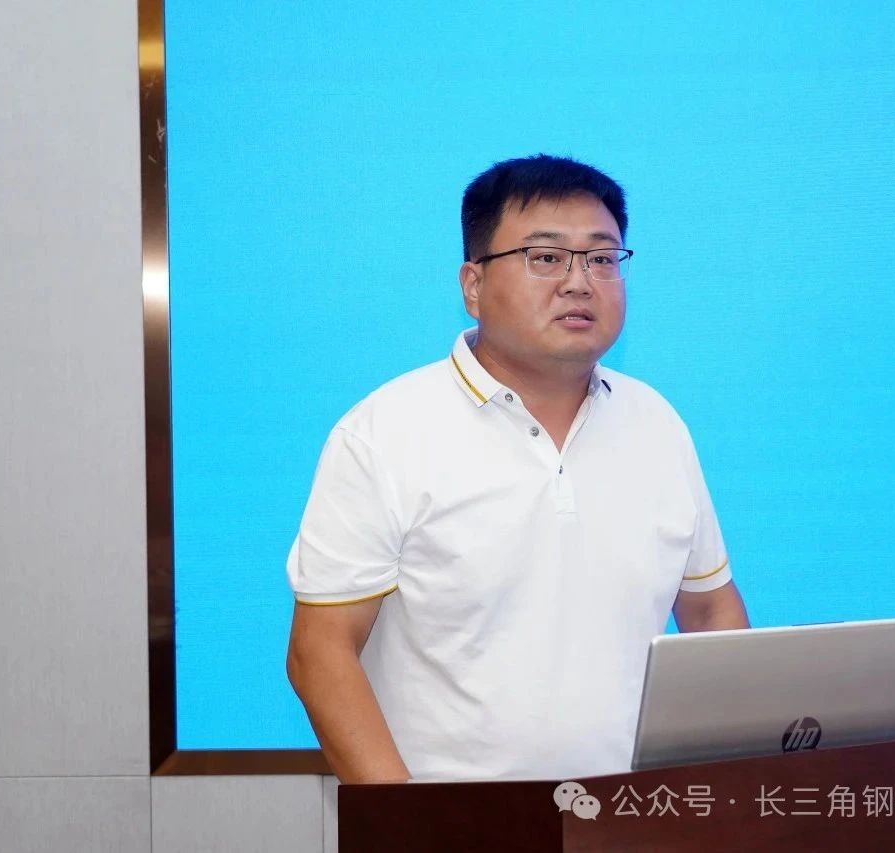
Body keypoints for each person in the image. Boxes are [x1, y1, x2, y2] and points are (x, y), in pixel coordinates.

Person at [285, 154, 748, 784]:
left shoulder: (657, 424)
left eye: (602, 258)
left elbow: (712, 613)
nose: (579, 282)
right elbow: (321, 653)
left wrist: (725, 791)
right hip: (452, 819)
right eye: (546, 257)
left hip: (635, 812)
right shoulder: (384, 433)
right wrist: (408, 824)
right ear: (472, 285)